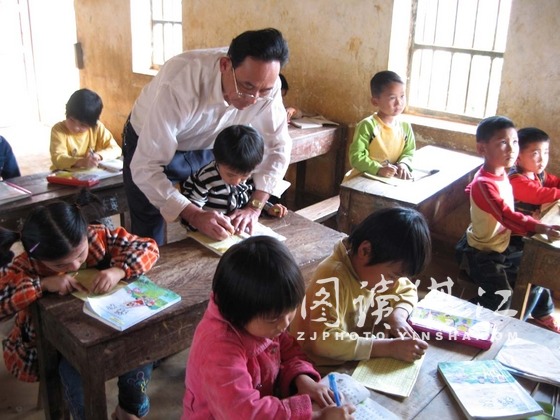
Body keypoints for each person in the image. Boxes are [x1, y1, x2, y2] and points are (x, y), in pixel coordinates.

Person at [123, 28, 291, 245]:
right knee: (149, 225)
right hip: (148, 142)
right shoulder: (181, 82)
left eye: (264, 91)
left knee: (217, 215)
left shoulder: (268, 85)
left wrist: (254, 207)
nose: (253, 99)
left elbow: (278, 146)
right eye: (246, 86)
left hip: (207, 144)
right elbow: (146, 167)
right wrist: (194, 215)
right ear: (225, 65)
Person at [0, 193, 160, 419]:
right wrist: (41, 284)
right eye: (60, 265)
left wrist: (119, 270)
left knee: (139, 346)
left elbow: (148, 248)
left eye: (80, 254)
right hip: (56, 344)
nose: (75, 265)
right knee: (76, 373)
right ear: (37, 258)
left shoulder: (98, 237)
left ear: (86, 233)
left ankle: (128, 410)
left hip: (107, 323)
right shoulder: (26, 264)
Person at [182, 236, 354, 420]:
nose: (285, 323)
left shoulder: (265, 319)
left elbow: (288, 349)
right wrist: (317, 416)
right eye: (274, 319)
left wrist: (302, 379)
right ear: (239, 312)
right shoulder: (218, 350)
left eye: (291, 310)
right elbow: (244, 414)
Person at [455, 116, 560, 333]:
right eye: (502, 143)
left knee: (536, 269)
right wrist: (540, 227)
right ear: (482, 149)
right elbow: (506, 215)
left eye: (514, 142)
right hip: (481, 253)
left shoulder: (501, 172)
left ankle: (528, 319)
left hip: (502, 246)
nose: (511, 149)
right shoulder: (484, 183)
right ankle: (457, 316)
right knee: (502, 297)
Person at [290, 207, 431, 367]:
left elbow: (407, 290)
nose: (394, 283)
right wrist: (388, 348)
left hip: (347, 357)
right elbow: (323, 341)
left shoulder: (371, 269)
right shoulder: (332, 276)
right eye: (393, 276)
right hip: (311, 364)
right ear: (365, 251)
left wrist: (398, 317)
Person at [182, 125, 287, 218]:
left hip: (237, 227)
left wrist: (268, 208)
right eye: (230, 175)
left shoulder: (251, 175)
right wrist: (204, 220)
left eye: (244, 176)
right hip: (209, 228)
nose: (236, 182)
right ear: (218, 160)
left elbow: (252, 199)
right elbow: (192, 212)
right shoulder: (206, 178)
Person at [346, 70, 415, 181]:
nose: (399, 103)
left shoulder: (405, 126)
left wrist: (404, 164)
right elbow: (356, 157)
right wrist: (378, 169)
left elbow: (409, 151)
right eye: (392, 98)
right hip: (363, 180)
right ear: (375, 101)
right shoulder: (367, 126)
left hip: (390, 181)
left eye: (402, 96)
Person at [50, 88, 122, 171]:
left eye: (83, 125)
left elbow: (116, 149)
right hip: (63, 174)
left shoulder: (97, 128)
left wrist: (98, 156)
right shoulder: (58, 130)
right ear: (67, 113)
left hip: (90, 174)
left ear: (92, 124)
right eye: (72, 120)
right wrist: (80, 162)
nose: (76, 127)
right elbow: (58, 158)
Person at [508, 127, 560, 218]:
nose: (542, 159)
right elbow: (539, 195)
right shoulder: (515, 181)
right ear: (517, 155)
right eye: (535, 154)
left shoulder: (536, 172)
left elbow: (555, 182)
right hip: (518, 225)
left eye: (545, 152)